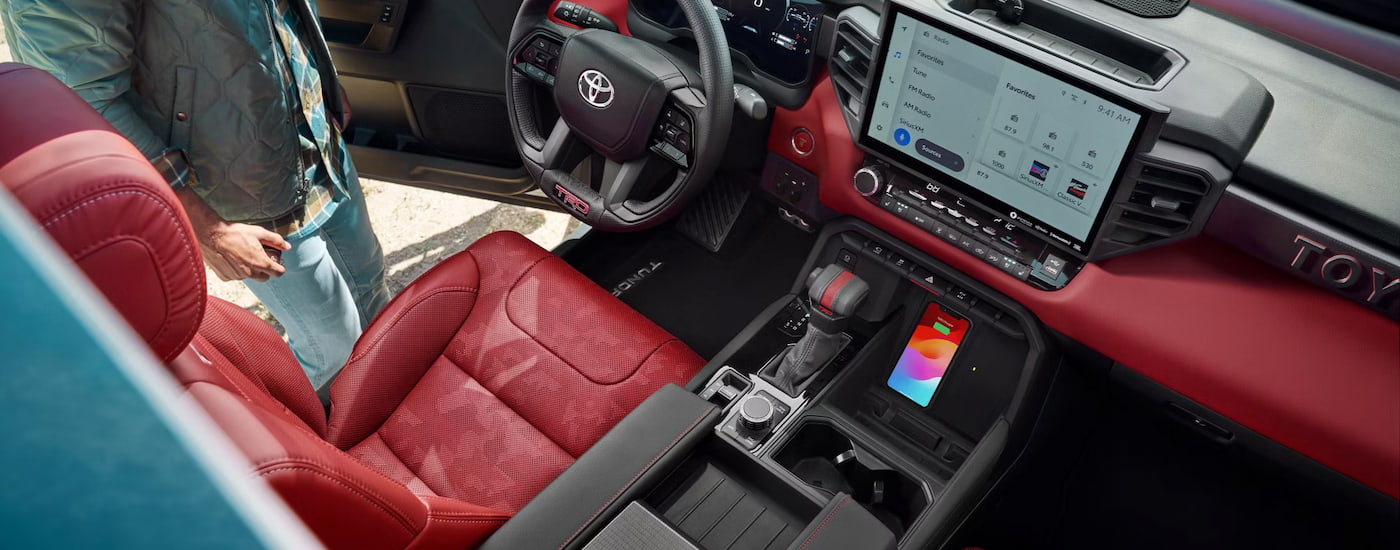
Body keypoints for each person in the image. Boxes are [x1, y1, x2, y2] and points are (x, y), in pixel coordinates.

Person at [2, 0, 391, 393]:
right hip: (231, 185)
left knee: (373, 294)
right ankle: (317, 443)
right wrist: (210, 230)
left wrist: (319, 79)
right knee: (333, 346)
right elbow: (85, 100)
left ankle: (383, 415)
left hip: (311, 139)